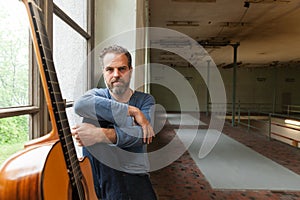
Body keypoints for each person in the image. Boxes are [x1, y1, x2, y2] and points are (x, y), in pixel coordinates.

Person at [71, 45, 157, 200]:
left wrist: (100, 134)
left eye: (122, 69)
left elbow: (141, 135)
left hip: (134, 175)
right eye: (110, 69)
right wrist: (132, 112)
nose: (116, 74)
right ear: (104, 72)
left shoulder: (145, 100)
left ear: (130, 70)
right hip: (98, 178)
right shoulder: (95, 95)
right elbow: (79, 106)